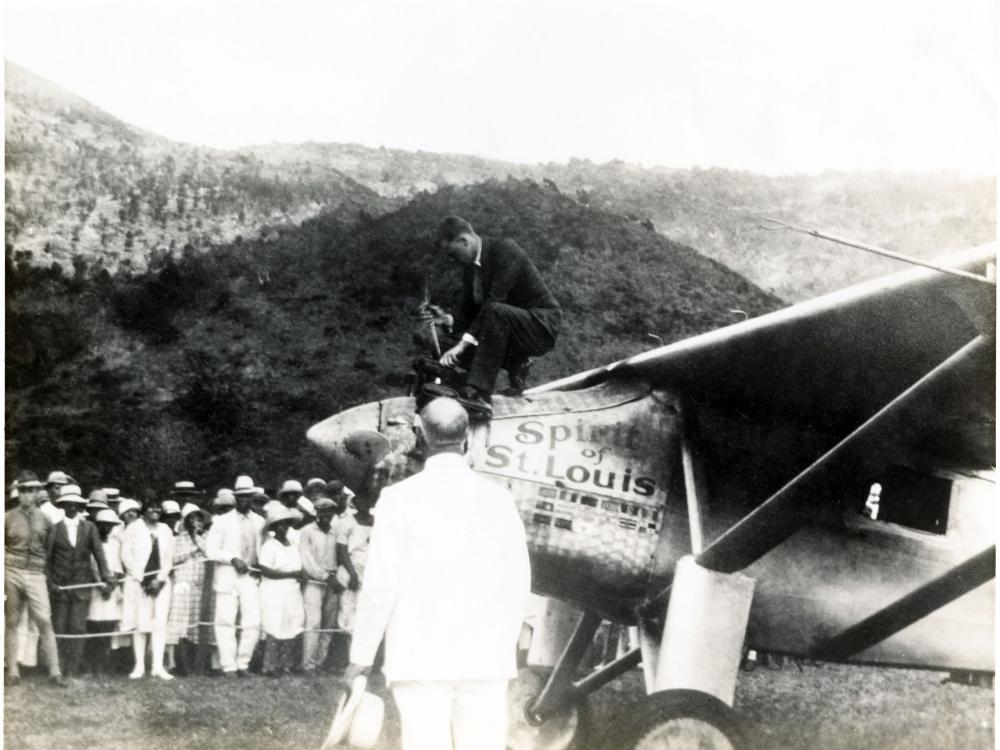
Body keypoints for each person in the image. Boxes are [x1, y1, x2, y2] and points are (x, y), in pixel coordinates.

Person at [343, 398, 531, 750]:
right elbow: (519, 581)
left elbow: (381, 584)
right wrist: (505, 643)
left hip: (420, 655)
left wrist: (361, 657)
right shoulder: (499, 499)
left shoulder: (398, 499)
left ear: (421, 436)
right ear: (466, 438)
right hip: (485, 655)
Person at [421, 216, 561, 414]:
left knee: (495, 311)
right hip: (503, 329)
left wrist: (461, 346)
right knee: (444, 344)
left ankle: (479, 393)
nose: (453, 260)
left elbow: (493, 304)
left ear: (464, 241)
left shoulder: (506, 251)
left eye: (453, 254)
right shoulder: (470, 267)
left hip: (540, 325)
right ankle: (510, 365)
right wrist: (447, 319)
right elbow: (469, 309)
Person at [5, 470, 66, 687]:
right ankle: (12, 671)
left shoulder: (47, 520)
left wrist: (40, 570)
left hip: (36, 574)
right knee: (11, 622)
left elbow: (48, 550)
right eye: (23, 490)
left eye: (31, 490)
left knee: (44, 621)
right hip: (11, 571)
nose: (27, 495)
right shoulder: (7, 518)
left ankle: (55, 672)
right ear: (18, 493)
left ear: (38, 492)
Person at [45, 484, 113, 677]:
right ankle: (57, 669)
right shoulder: (55, 529)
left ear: (80, 506)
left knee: (77, 627)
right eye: (68, 504)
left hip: (82, 586)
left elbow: (99, 555)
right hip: (60, 587)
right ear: (62, 506)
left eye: (75, 504)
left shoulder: (89, 528)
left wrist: (106, 576)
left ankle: (72, 670)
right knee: (59, 626)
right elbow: (47, 560)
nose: (72, 508)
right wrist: (50, 583)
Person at [205, 479, 265, 677]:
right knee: (225, 620)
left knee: (253, 621)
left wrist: (259, 563)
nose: (244, 500)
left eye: (248, 497)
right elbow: (210, 549)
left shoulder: (259, 521)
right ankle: (228, 666)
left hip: (250, 577)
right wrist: (232, 559)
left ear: (253, 498)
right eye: (241, 497)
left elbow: (263, 548)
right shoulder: (221, 521)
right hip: (228, 575)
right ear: (235, 497)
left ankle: (243, 664)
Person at [120, 497, 175, 680]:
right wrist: (142, 579)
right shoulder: (134, 528)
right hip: (139, 582)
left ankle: (158, 667)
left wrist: (159, 580)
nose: (155, 511)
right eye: (151, 507)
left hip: (160, 584)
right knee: (140, 624)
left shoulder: (165, 530)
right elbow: (126, 556)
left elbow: (169, 558)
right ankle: (139, 666)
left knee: (159, 623)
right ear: (144, 510)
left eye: (158, 508)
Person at [257, 506, 306, 676]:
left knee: (292, 625)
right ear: (273, 527)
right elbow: (266, 570)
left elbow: (299, 566)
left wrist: (298, 575)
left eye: (286, 524)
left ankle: (285, 665)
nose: (284, 527)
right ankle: (269, 666)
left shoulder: (293, 544)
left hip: (292, 591)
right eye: (280, 525)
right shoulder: (270, 546)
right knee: (274, 625)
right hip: (273, 590)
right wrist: (291, 573)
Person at [298, 497, 342, 674]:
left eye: (329, 513)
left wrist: (336, 578)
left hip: (333, 581)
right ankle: (308, 664)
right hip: (315, 582)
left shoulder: (337, 531)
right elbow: (307, 560)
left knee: (328, 624)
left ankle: (319, 663)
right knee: (313, 623)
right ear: (316, 513)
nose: (326, 516)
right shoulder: (307, 531)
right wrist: (325, 577)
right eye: (322, 513)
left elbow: (341, 556)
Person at [166, 506, 209, 675]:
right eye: (191, 519)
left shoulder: (204, 538)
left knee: (195, 625)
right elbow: (173, 559)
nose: (195, 523)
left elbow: (208, 552)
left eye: (198, 519)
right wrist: (192, 550)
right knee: (179, 625)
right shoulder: (177, 539)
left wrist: (197, 539)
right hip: (182, 585)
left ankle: (195, 664)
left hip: (198, 586)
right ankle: (177, 664)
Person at [84, 509, 125, 678]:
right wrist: (100, 585)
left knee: (107, 627)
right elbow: (91, 566)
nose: (107, 529)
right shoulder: (91, 543)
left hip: (112, 589)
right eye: (104, 525)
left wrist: (111, 586)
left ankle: (101, 666)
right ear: (97, 526)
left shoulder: (115, 544)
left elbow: (118, 568)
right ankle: (90, 666)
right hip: (95, 589)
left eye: (110, 526)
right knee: (93, 627)